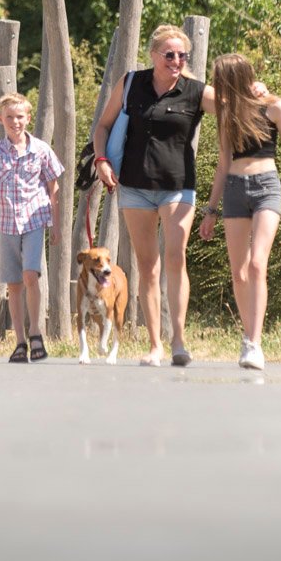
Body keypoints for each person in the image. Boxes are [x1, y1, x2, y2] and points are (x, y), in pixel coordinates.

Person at [90, 25, 215, 367]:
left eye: (182, 55)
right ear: (154, 55)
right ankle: (155, 344)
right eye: (169, 54)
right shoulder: (132, 83)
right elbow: (103, 126)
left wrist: (257, 93)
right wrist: (101, 160)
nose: (176, 61)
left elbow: (233, 107)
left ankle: (179, 341)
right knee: (147, 266)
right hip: (134, 185)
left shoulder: (196, 91)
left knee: (175, 257)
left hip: (178, 185)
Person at [198, 53, 281, 371]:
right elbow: (223, 163)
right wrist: (210, 210)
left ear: (234, 79)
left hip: (267, 186)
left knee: (256, 264)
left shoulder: (274, 107)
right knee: (238, 272)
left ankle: (254, 343)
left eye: (221, 79)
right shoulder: (227, 112)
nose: (217, 85)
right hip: (235, 189)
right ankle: (248, 335)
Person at [0, 93, 64, 364]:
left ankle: (36, 331)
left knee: (30, 274)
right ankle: (20, 341)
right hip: (6, 223)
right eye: (10, 117)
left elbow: (54, 188)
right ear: (1, 119)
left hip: (34, 220)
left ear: (28, 118)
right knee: (13, 283)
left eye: (20, 117)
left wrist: (56, 224)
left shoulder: (41, 150)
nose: (15, 122)